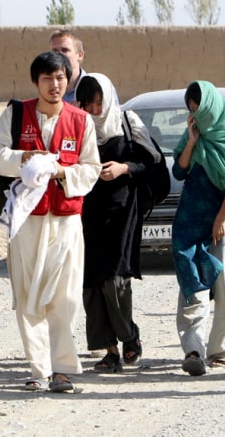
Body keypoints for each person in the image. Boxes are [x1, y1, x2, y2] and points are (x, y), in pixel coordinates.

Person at [0, 51, 101, 392]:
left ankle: (63, 369)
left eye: (61, 78)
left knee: (65, 296)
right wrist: (25, 158)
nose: (55, 85)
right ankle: (39, 369)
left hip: (65, 220)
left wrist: (63, 171)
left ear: (68, 80)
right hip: (27, 220)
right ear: (36, 82)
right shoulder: (16, 114)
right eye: (48, 78)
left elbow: (91, 169)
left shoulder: (81, 121)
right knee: (27, 293)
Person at [75, 73, 158, 373]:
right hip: (85, 214)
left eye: (100, 103)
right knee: (91, 284)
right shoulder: (76, 126)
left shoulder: (127, 122)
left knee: (114, 280)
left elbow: (150, 162)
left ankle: (129, 335)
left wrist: (123, 168)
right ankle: (109, 351)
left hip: (122, 212)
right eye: (89, 105)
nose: (96, 111)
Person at [171, 81, 225, 377]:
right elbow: (179, 171)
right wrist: (191, 141)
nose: (194, 115)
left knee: (224, 288)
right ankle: (193, 350)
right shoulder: (194, 137)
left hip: (222, 225)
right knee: (191, 284)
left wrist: (220, 219)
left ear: (211, 108)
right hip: (190, 222)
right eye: (190, 110)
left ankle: (221, 350)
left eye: (198, 109)